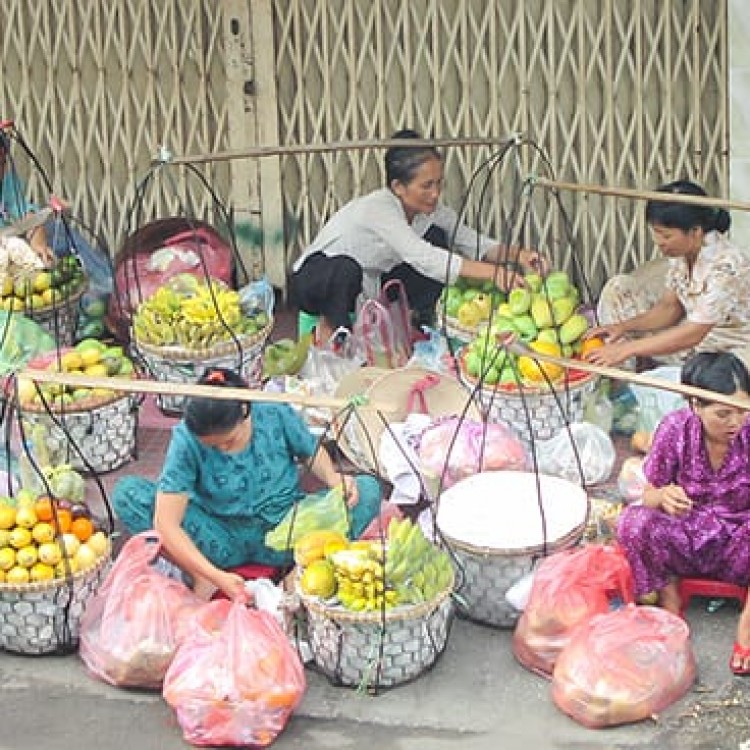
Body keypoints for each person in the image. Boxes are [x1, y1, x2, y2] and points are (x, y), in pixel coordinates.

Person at [113, 367, 382, 601]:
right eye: (213, 446)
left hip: (288, 531)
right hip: (220, 539)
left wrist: (335, 479)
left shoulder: (274, 411)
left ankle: (298, 569)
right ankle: (201, 575)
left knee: (367, 490)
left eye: (227, 442)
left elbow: (310, 451)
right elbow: (166, 522)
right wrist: (212, 575)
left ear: (245, 411)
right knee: (128, 494)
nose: (222, 449)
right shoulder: (186, 439)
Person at [289, 128, 548, 341]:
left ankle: (414, 320)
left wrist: (519, 255)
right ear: (398, 187)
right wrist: (494, 273)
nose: (435, 193)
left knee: (438, 238)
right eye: (426, 186)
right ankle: (328, 331)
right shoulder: (378, 207)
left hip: (366, 286)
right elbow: (421, 256)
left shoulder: (430, 211)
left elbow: (469, 240)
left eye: (438, 183)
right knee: (349, 269)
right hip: (318, 281)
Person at [616, 351, 750, 674]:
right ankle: (669, 599)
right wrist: (662, 496)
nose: (734, 422)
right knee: (634, 523)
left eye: (742, 411)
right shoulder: (675, 430)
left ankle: (747, 625)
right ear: (696, 406)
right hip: (688, 534)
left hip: (740, 539)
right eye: (723, 414)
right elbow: (645, 494)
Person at [586, 180, 750, 371]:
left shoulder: (726, 266)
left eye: (666, 236)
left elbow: (694, 333)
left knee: (714, 377)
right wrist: (623, 327)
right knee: (618, 289)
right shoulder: (682, 254)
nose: (659, 242)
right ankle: (626, 372)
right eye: (656, 233)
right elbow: (669, 308)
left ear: (695, 231)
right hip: (689, 342)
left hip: (726, 351)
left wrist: (627, 349)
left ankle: (634, 364)